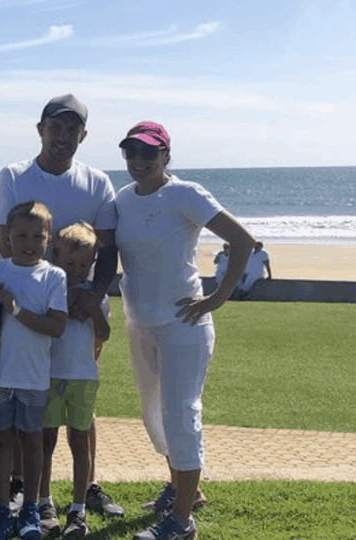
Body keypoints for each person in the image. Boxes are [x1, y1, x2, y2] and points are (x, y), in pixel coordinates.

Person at [0, 94, 123, 525]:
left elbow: (107, 248)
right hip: (27, 309)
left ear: (83, 135)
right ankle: (23, 487)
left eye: (73, 129)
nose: (63, 136)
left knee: (79, 389)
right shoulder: (13, 176)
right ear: (40, 129)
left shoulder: (97, 182)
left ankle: (87, 488)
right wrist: (49, 296)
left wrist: (92, 295)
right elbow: (3, 241)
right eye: (56, 127)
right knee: (24, 395)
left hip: (81, 311)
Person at [115, 121, 254, 540]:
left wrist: (217, 297)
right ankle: (182, 489)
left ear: (165, 155)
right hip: (139, 322)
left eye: (148, 152)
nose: (139, 160)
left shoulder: (186, 194)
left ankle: (181, 521)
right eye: (131, 151)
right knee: (153, 414)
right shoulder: (122, 199)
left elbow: (243, 241)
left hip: (184, 325)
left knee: (181, 414)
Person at [0, 201, 67, 540]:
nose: (29, 243)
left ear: (49, 240)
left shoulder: (54, 276)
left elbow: (56, 326)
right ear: (6, 238)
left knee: (32, 442)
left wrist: (15, 309)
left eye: (37, 236)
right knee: (0, 441)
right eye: (20, 236)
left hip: (33, 376)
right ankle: (2, 509)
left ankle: (30, 507)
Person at [39, 223, 110, 539]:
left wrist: (94, 310)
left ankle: (78, 509)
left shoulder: (97, 295)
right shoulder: (48, 289)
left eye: (84, 265)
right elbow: (47, 326)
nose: (77, 270)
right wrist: (68, 303)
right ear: (55, 257)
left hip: (83, 377)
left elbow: (104, 334)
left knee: (80, 443)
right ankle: (44, 502)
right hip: (50, 375)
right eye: (70, 263)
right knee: (46, 443)